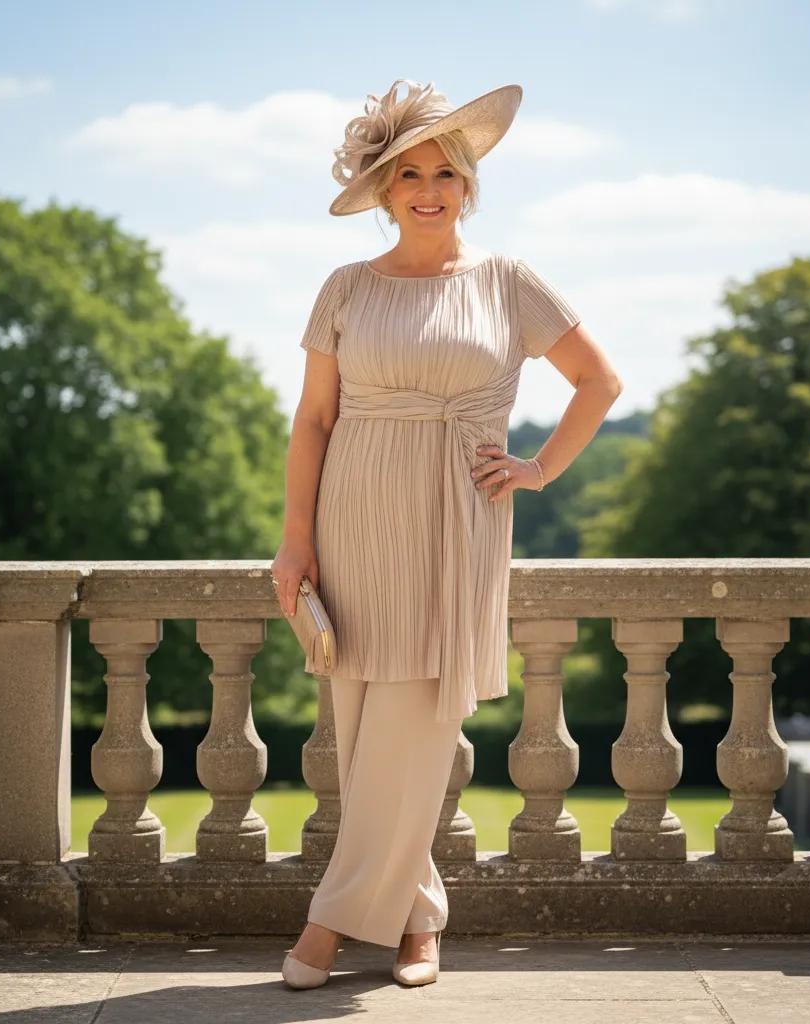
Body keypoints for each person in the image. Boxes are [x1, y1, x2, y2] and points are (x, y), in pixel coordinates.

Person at [272, 78, 624, 989]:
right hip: (354, 515)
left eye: (445, 172)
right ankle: (420, 922)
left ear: (469, 184)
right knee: (361, 729)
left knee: (416, 724)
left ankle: (329, 925)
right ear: (384, 190)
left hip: (457, 520)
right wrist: (294, 541)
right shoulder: (344, 287)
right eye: (408, 174)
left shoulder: (510, 282)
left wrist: (538, 470)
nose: (428, 189)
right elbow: (312, 420)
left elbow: (599, 384)